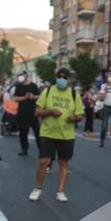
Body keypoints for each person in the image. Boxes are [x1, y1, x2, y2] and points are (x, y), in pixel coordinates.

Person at [29, 70, 80, 202]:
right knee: (43, 161)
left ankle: (60, 191)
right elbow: (37, 112)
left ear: (70, 79)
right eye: (59, 77)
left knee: (63, 162)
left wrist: (73, 117)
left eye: (64, 77)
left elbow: (80, 115)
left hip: (66, 135)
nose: (61, 79)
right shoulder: (48, 91)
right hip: (48, 132)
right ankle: (37, 189)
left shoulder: (74, 94)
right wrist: (50, 111)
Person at [12, 71, 42, 156]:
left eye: (22, 75)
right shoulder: (19, 86)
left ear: (26, 76)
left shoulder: (33, 86)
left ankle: (41, 149)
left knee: (37, 131)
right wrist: (24, 97)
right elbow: (15, 98)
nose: (20, 76)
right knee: (23, 132)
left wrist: (33, 97)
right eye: (19, 75)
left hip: (33, 112)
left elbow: (39, 96)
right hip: (22, 112)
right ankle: (24, 148)